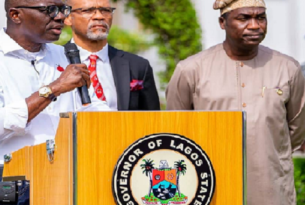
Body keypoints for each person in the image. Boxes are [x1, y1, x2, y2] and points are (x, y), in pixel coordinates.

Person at [0, 0, 109, 204]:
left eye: (63, 9)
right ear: (16, 15)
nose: (60, 17)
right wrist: (53, 89)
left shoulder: (66, 55)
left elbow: (92, 110)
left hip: (68, 175)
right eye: (50, 10)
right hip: (13, 182)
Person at [166, 0, 305, 204]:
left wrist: (265, 148)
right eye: (244, 18)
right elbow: (175, 129)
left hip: (271, 188)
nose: (255, 25)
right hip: (210, 188)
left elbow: (297, 127)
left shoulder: (287, 68)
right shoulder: (191, 70)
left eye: (260, 17)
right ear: (223, 22)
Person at [64, 0, 160, 110]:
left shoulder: (137, 65)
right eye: (88, 10)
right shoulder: (52, 61)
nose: (99, 16)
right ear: (68, 17)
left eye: (105, 10)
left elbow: (152, 120)